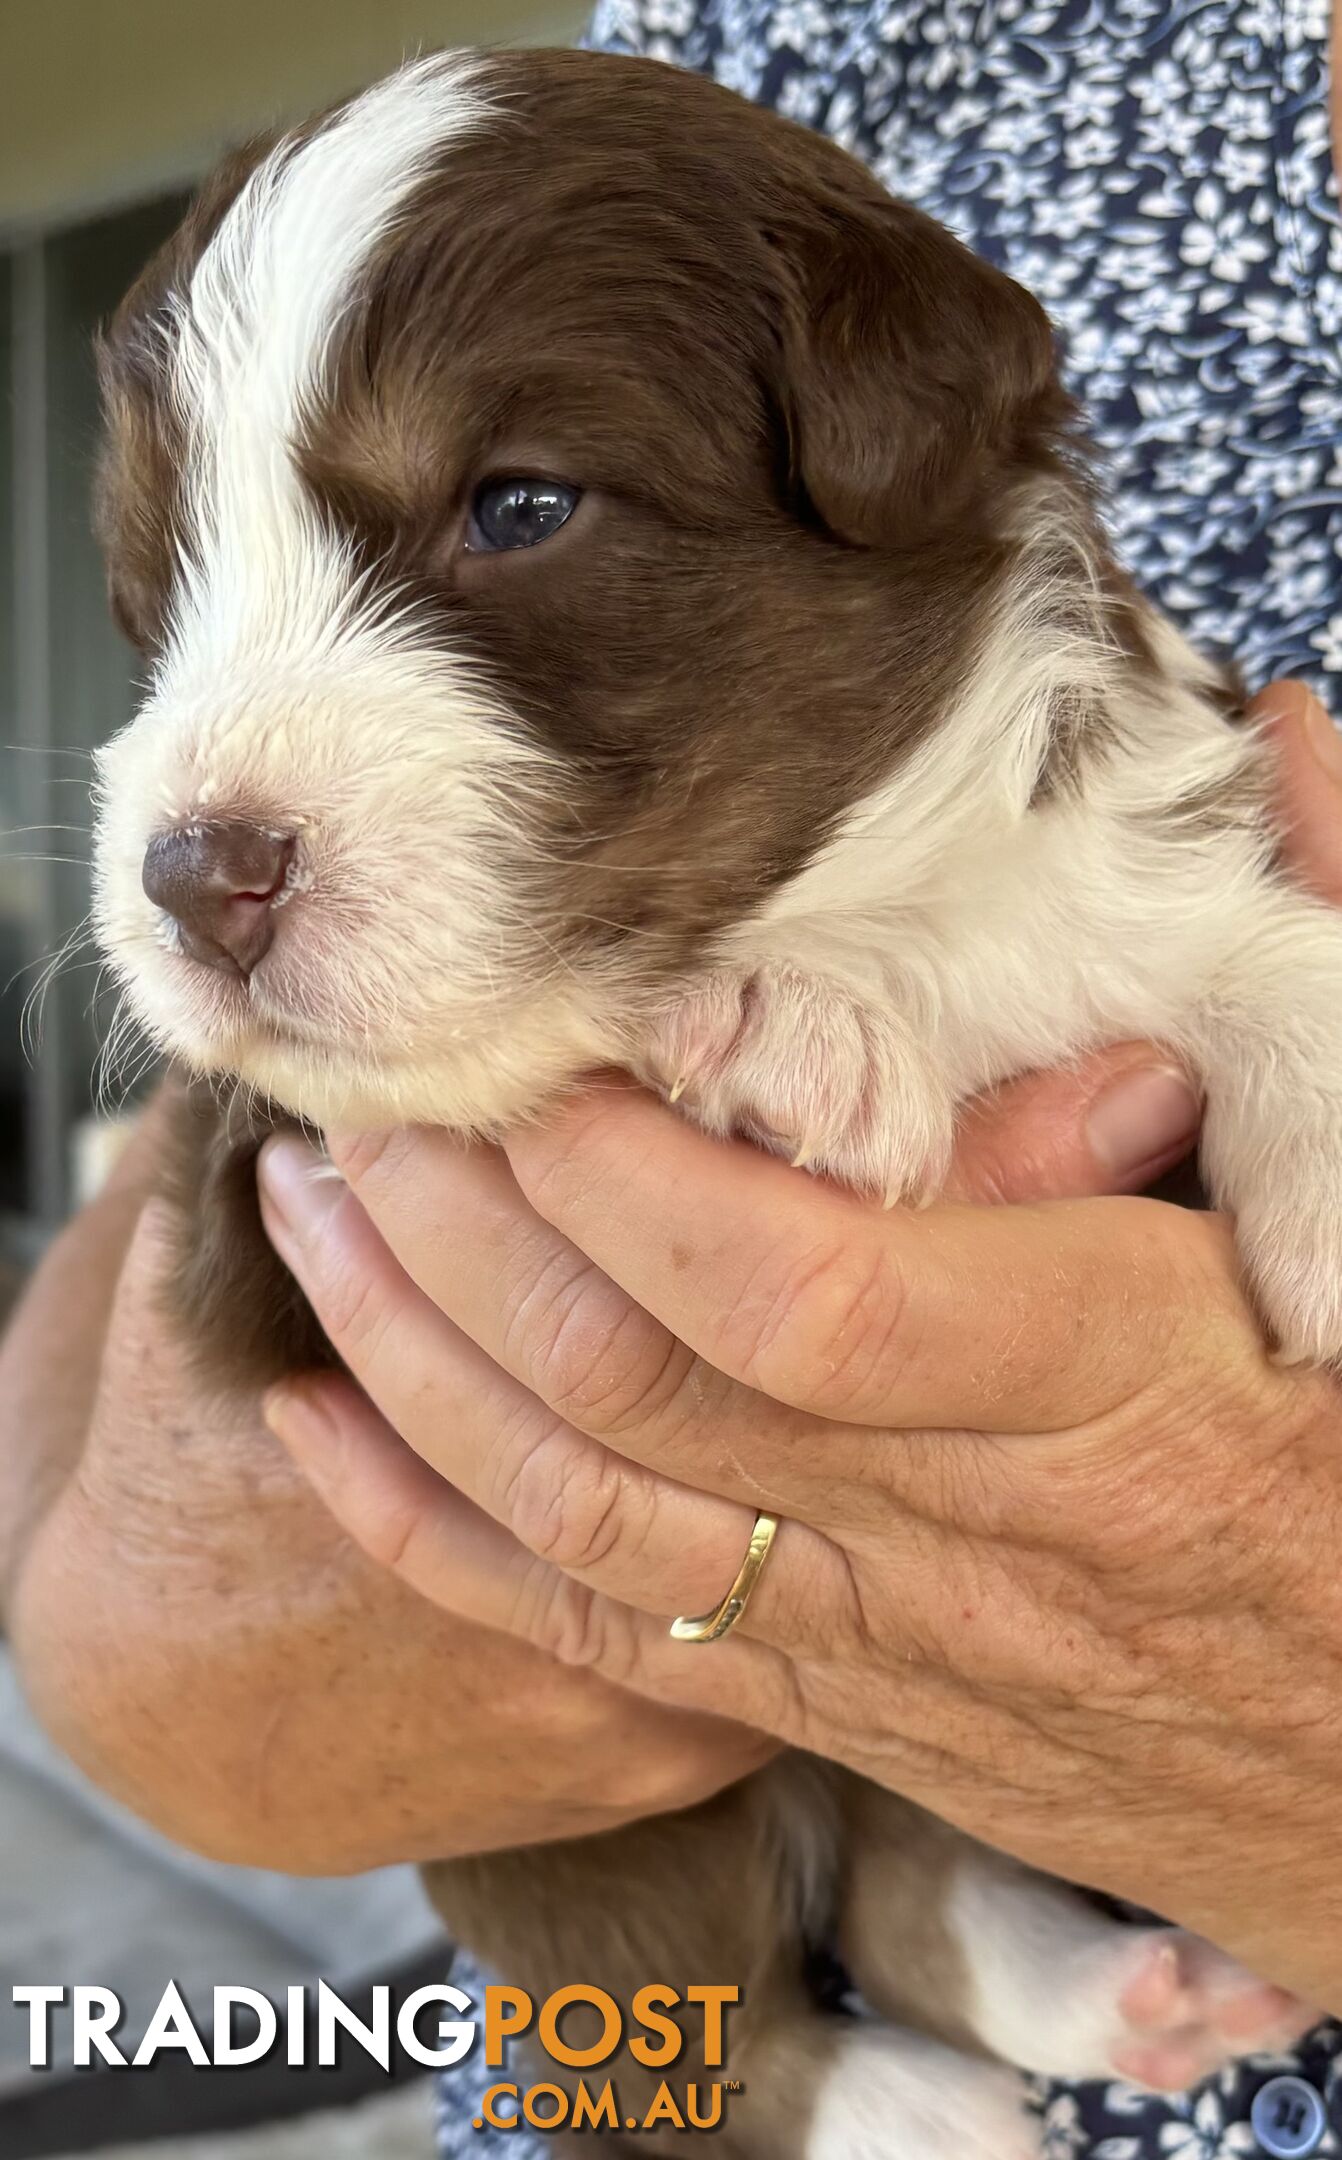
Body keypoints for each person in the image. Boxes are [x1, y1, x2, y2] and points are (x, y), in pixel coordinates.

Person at [3, 6, 1341, 2159]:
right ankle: (748, 2073)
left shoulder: (1125, 784)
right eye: (184, 584)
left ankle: (906, 1950)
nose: (202, 798)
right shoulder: (823, 35)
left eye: (509, 507)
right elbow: (154, 1611)